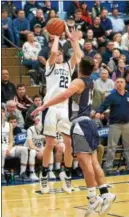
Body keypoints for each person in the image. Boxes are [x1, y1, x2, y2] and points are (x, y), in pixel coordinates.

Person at [32, 56, 116, 217]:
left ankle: (93, 197)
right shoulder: (91, 80)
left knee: (86, 165)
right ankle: (105, 193)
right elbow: (81, 57)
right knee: (93, 162)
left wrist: (43, 106)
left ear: (79, 68)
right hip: (89, 124)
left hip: (80, 125)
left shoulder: (78, 82)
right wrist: (74, 40)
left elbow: (63, 96)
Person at [32, 28, 83, 194]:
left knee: (68, 144)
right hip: (51, 107)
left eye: (62, 54)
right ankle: (44, 175)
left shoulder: (68, 67)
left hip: (65, 107)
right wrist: (55, 37)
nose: (59, 55)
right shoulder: (50, 66)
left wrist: (74, 41)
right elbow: (53, 52)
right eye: (58, 54)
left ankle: (67, 176)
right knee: (50, 144)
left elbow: (77, 57)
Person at [95, 77, 129, 173]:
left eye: (121, 82)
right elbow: (103, 106)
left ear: (125, 84)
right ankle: (108, 168)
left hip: (128, 125)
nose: (119, 84)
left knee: (128, 147)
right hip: (114, 125)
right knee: (111, 147)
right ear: (115, 84)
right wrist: (98, 112)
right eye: (117, 82)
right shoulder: (111, 96)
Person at [2, 105, 29, 183]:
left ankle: (22, 173)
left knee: (24, 149)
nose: (1, 113)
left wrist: (8, 149)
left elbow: (11, 141)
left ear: (5, 113)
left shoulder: (8, 125)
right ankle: (1, 174)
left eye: (2, 112)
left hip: (8, 148)